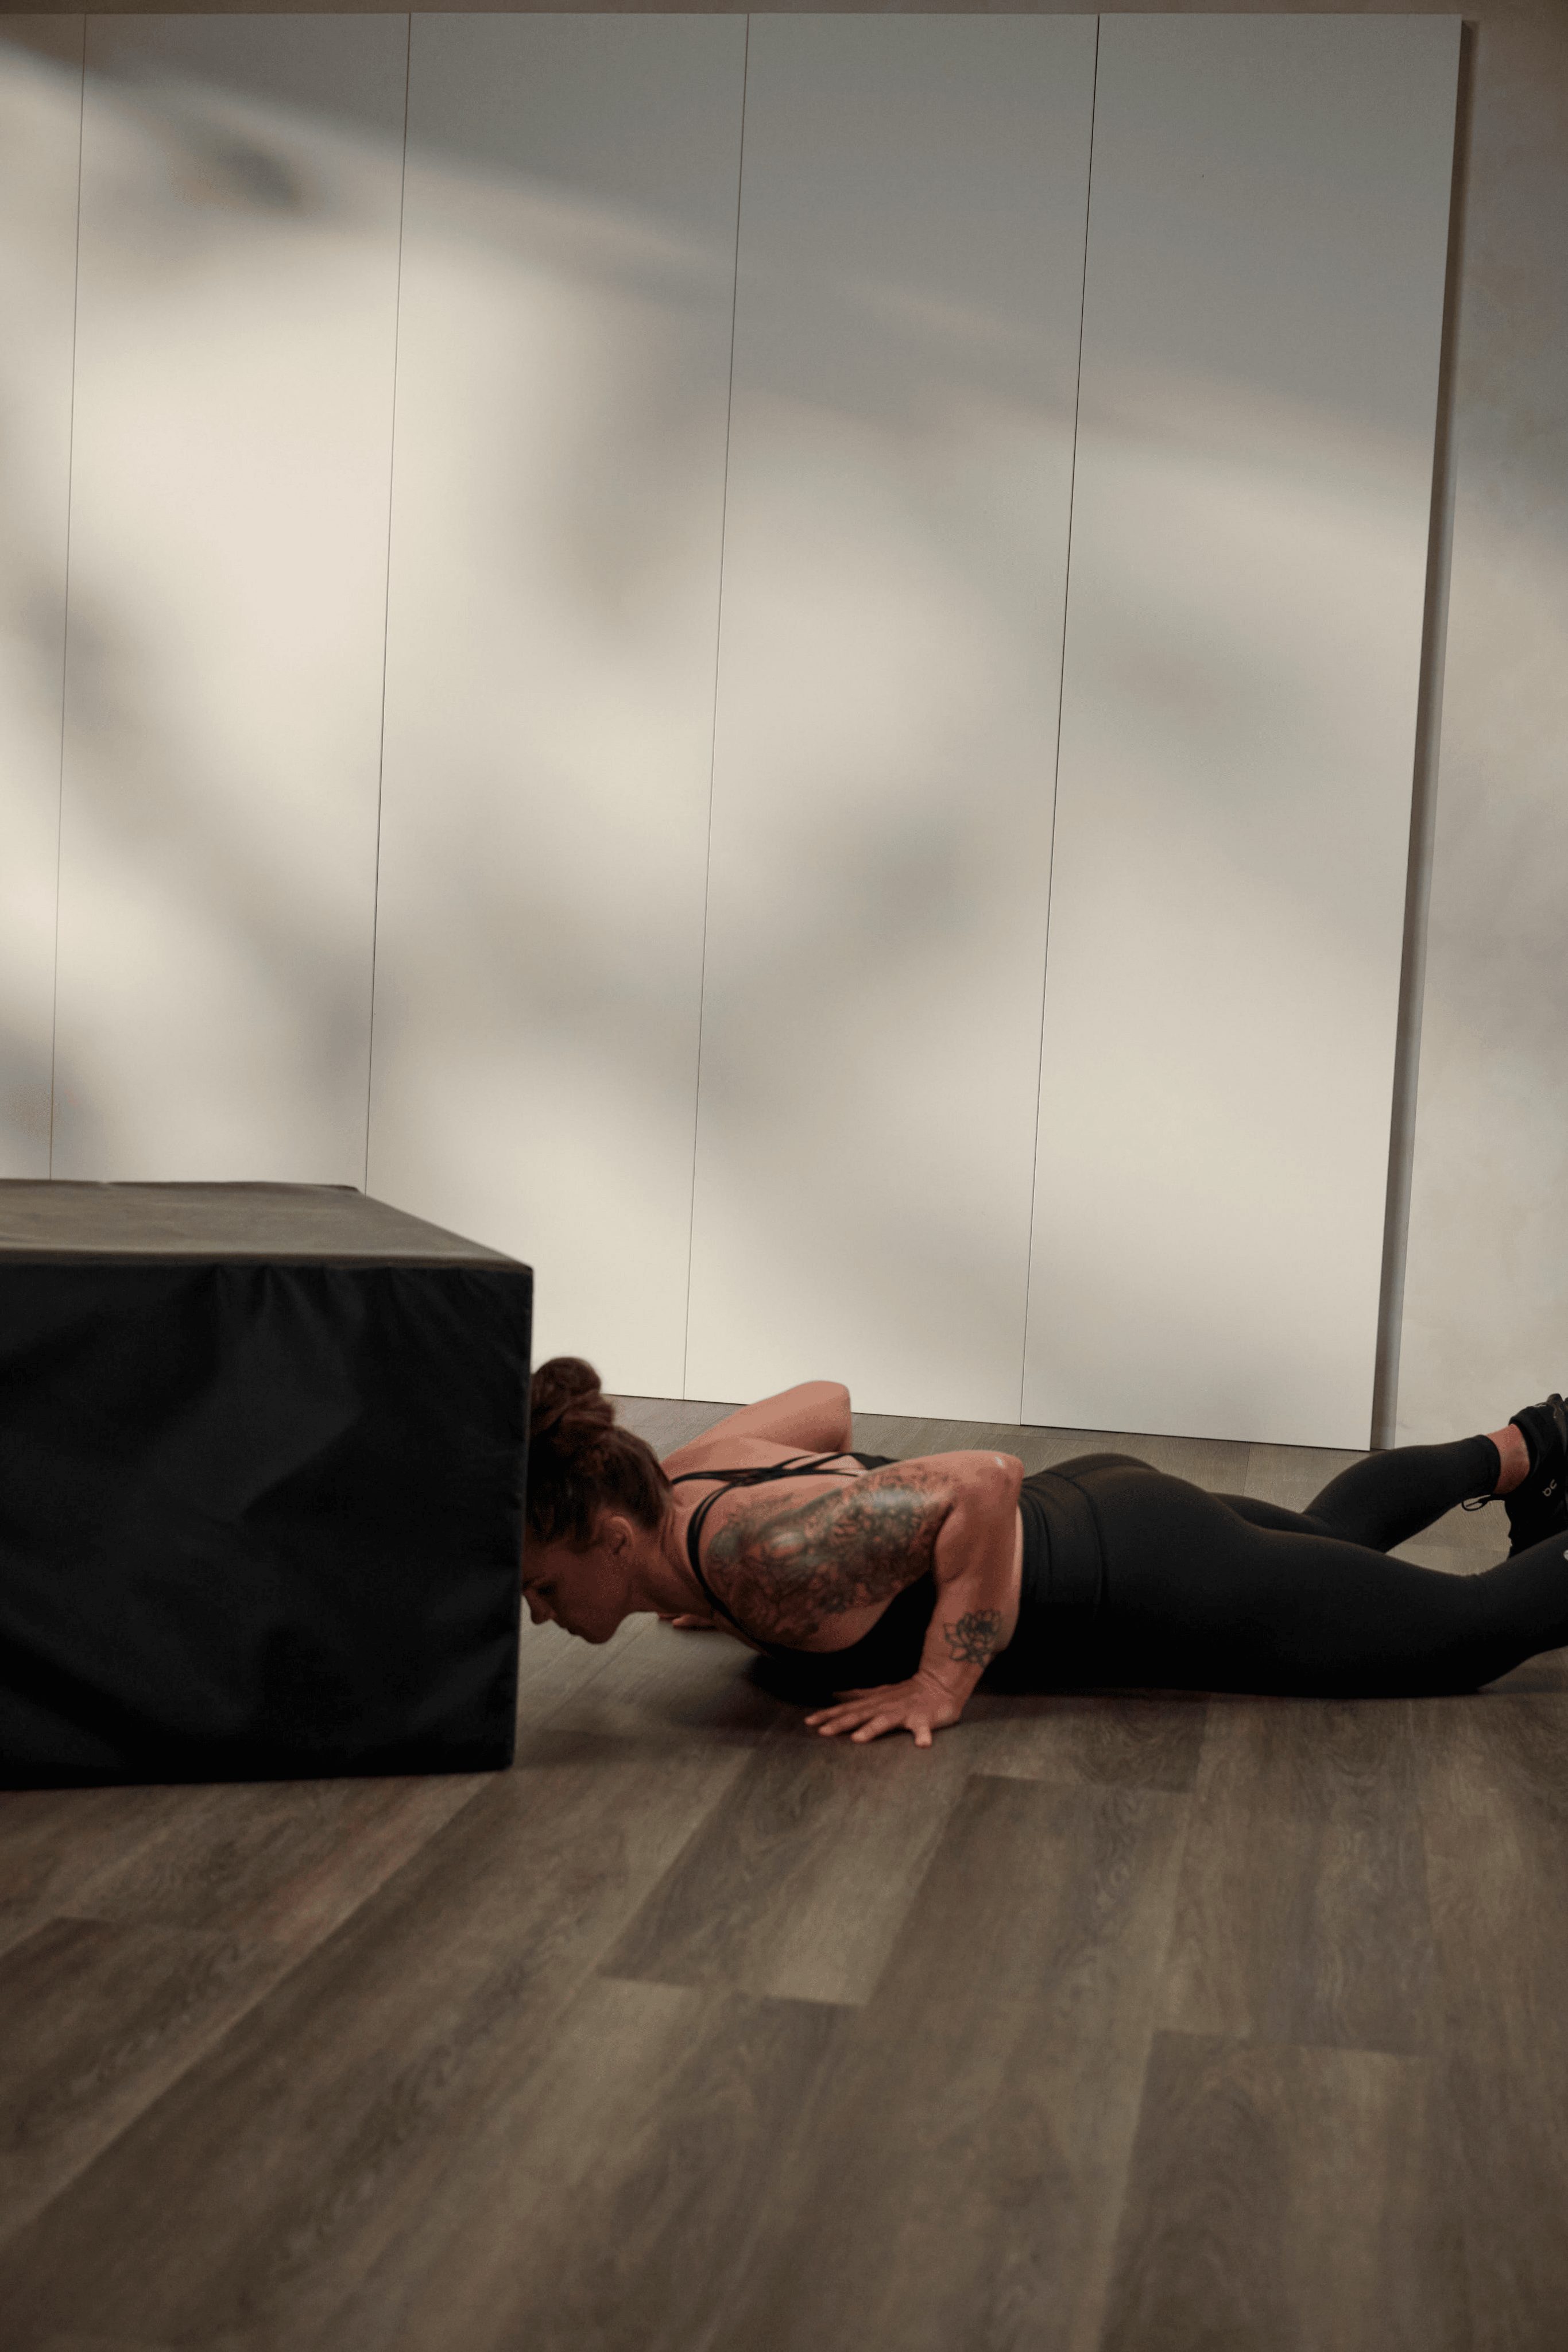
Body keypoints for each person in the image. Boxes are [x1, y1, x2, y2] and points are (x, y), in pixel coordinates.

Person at [520, 1357, 1568, 1747]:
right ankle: (1539, 1446)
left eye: (544, 1584)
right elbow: (827, 1405)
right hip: (1114, 1510)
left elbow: (979, 1480)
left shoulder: (763, 1556)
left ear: (611, 1538)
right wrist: (722, 1585)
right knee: (1338, 1548)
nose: (537, 1613)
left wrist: (941, 1681)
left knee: (1465, 1635)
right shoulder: (690, 1477)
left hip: (1142, 1577)